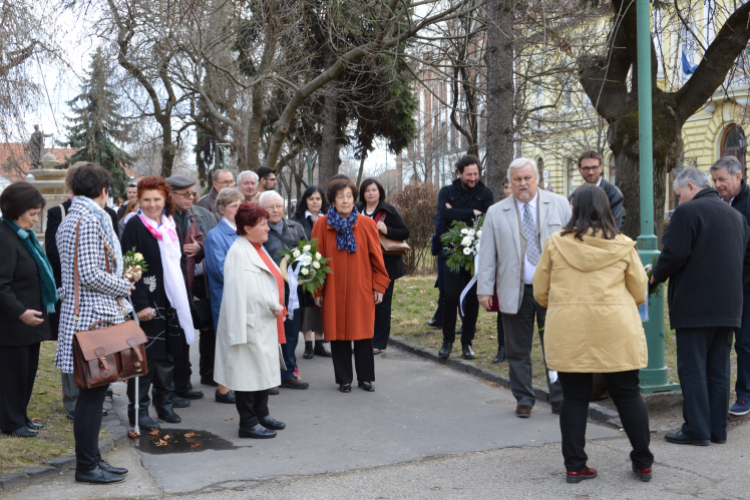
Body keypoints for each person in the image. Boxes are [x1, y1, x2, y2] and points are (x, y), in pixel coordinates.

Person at [533, 184, 653, 483]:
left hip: (570, 329)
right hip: (616, 329)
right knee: (627, 395)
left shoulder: (555, 244)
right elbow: (640, 291)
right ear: (607, 208)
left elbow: (540, 291)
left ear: (574, 209)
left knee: (574, 398)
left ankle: (574, 465)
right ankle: (643, 462)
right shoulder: (623, 244)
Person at [652, 168, 750, 446]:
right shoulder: (737, 217)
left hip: (694, 308)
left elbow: (673, 255)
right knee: (719, 370)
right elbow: (748, 260)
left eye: (679, 195)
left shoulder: (688, 213)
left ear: (691, 187)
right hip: (730, 308)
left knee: (693, 369)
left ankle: (696, 429)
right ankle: (717, 430)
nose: (679, 201)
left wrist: (655, 274)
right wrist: (732, 284)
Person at [55, 164, 131, 484]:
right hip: (91, 319)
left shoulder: (78, 217)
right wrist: (123, 285)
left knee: (94, 395)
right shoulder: (87, 219)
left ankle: (93, 459)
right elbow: (88, 273)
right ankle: (86, 466)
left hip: (91, 317)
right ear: (102, 190)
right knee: (92, 396)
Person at [477, 158, 570, 418]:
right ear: (510, 182)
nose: (523, 183)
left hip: (554, 291)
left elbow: (576, 245)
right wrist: (484, 290)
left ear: (536, 178)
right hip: (514, 290)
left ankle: (560, 397)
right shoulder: (496, 212)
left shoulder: (560, 206)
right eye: (517, 179)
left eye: (527, 178)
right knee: (517, 349)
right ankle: (524, 398)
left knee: (555, 345)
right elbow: (487, 255)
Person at [120, 176, 196, 429]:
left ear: (166, 200)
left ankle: (164, 404)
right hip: (148, 300)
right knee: (145, 357)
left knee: (168, 355)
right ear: (138, 201)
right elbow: (130, 268)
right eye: (146, 200)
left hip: (170, 299)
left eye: (157, 199)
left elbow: (178, 264)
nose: (152, 204)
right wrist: (140, 303)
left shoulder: (171, 225)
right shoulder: (134, 226)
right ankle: (139, 411)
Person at [214, 203, 287, 439]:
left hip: (263, 321)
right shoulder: (238, 252)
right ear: (247, 228)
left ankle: (261, 413)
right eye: (262, 224)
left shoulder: (256, 247)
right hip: (247, 324)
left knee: (262, 370)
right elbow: (236, 293)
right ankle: (248, 422)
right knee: (246, 375)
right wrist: (238, 332)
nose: (268, 228)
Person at [312, 179, 390, 393]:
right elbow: (314, 260)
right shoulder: (321, 224)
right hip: (332, 289)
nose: (345, 201)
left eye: (348, 196)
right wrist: (317, 291)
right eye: (340, 196)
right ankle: (344, 379)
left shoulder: (366, 224)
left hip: (361, 287)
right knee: (338, 334)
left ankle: (365, 379)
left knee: (364, 333)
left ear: (354, 198)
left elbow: (377, 259)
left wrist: (379, 286)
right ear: (332, 200)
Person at [0, 182, 53, 439]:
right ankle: (11, 422)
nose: (35, 219)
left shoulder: (24, 237)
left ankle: (20, 416)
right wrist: (21, 312)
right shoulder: (4, 237)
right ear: (16, 210)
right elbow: (1, 285)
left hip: (29, 323)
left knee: (26, 373)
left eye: (37, 213)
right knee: (12, 375)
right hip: (13, 324)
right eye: (32, 213)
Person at [166, 174, 219, 403]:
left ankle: (184, 383)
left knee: (186, 332)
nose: (191, 198)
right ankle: (172, 388)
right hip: (170, 283)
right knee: (173, 336)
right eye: (185, 194)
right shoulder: (165, 217)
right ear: (171, 195)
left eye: (192, 194)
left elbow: (207, 241)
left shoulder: (193, 215)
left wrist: (199, 248)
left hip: (188, 281)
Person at [436, 154, 494, 360]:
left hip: (476, 254)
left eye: (476, 174)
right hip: (452, 251)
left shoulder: (485, 193)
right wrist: (472, 212)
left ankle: (467, 342)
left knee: (471, 298)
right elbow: (444, 214)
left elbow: (488, 217)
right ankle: (447, 341)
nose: (473, 178)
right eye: (468, 174)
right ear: (459, 173)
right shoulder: (447, 191)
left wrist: (457, 212)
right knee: (450, 296)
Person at [710, 155, 750, 417]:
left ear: (738, 176)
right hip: (729, 284)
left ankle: (745, 396)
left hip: (745, 284)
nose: (717, 185)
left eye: (722, 179)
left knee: (745, 343)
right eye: (714, 180)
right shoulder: (722, 202)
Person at [259, 190, 310, 389]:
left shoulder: (295, 228)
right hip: (268, 291)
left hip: (292, 293)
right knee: (268, 334)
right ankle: (269, 375)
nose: (275, 210)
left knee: (290, 332)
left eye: (278, 206)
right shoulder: (259, 230)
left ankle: (288, 371)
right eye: (270, 206)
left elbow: (308, 255)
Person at [357, 178, 410, 354]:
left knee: (382, 304)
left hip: (385, 265)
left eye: (374, 190)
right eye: (367, 190)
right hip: (361, 264)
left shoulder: (388, 211)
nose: (370, 193)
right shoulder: (356, 211)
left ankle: (378, 343)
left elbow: (405, 232)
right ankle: (364, 340)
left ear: (380, 192)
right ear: (362, 194)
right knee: (364, 304)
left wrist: (387, 230)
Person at [204, 188, 244, 403]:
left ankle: (237, 384)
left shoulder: (243, 230)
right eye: (234, 206)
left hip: (244, 295)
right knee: (227, 341)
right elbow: (220, 270)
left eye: (241, 206)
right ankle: (223, 389)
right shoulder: (215, 236)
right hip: (227, 296)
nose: (238, 210)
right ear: (221, 210)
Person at [291, 186, 332, 359]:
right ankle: (308, 345)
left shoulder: (330, 218)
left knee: (322, 305)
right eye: (311, 199)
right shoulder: (298, 220)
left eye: (318, 198)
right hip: (306, 268)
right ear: (305, 201)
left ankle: (319, 344)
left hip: (326, 267)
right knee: (307, 305)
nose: (315, 202)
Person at [575, 151, 625, 230]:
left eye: (594, 167)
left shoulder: (614, 194)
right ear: (579, 170)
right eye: (586, 168)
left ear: (601, 167)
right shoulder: (575, 195)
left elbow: (614, 226)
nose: (591, 172)